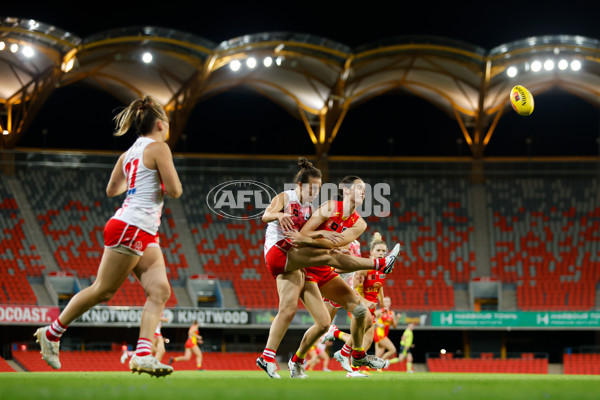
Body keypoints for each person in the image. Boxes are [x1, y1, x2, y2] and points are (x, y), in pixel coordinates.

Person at [34, 95, 182, 378]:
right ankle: (52, 334)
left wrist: (138, 181)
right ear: (161, 124)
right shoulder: (160, 147)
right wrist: (158, 181)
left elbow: (112, 189)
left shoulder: (127, 155)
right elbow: (175, 190)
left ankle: (142, 356)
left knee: (160, 291)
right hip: (132, 226)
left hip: (141, 228)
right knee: (103, 289)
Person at [256, 164, 400, 379]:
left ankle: (307, 360)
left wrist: (323, 242)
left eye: (319, 187)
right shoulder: (327, 206)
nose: (364, 192)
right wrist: (317, 237)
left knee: (335, 319)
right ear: (347, 190)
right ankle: (380, 264)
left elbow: (339, 241)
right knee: (331, 257)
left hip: (316, 265)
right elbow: (303, 234)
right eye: (361, 188)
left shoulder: (359, 223)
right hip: (295, 258)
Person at [374, 297, 400, 361]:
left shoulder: (392, 313)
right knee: (393, 350)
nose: (387, 303)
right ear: (382, 303)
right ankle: (380, 364)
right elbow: (370, 319)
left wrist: (397, 318)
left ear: (390, 303)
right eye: (385, 301)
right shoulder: (380, 312)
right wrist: (378, 324)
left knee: (378, 354)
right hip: (379, 334)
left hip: (384, 335)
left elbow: (394, 326)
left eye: (388, 301)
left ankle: (367, 369)